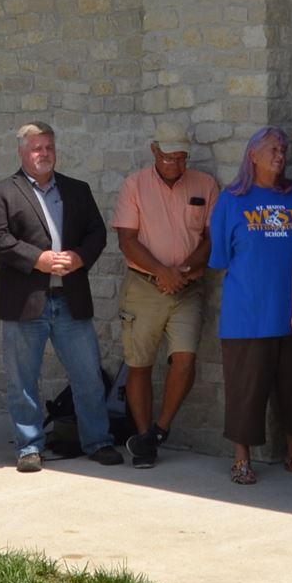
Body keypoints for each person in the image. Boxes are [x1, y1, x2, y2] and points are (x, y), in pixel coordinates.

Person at [0, 121, 116, 473]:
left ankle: (98, 441)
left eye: (49, 147)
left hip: (70, 299)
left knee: (88, 375)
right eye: (36, 148)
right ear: (21, 152)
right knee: (22, 381)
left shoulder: (77, 189)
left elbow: (97, 232)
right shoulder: (0, 192)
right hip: (25, 301)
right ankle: (29, 447)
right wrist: (36, 259)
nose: (44, 153)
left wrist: (80, 257)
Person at [206, 127, 292, 485]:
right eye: (272, 150)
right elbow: (220, 257)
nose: (280, 155)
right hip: (247, 316)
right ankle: (241, 460)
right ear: (252, 155)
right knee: (245, 392)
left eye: (283, 149)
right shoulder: (232, 199)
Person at [110, 128, 217, 467]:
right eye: (170, 158)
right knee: (139, 363)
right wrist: (162, 272)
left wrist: (181, 271)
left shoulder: (205, 184)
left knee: (185, 359)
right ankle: (144, 436)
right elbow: (127, 240)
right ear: (154, 151)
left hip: (187, 288)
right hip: (144, 287)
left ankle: (158, 431)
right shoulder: (134, 185)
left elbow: (212, 238)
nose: (176, 164)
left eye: (182, 158)